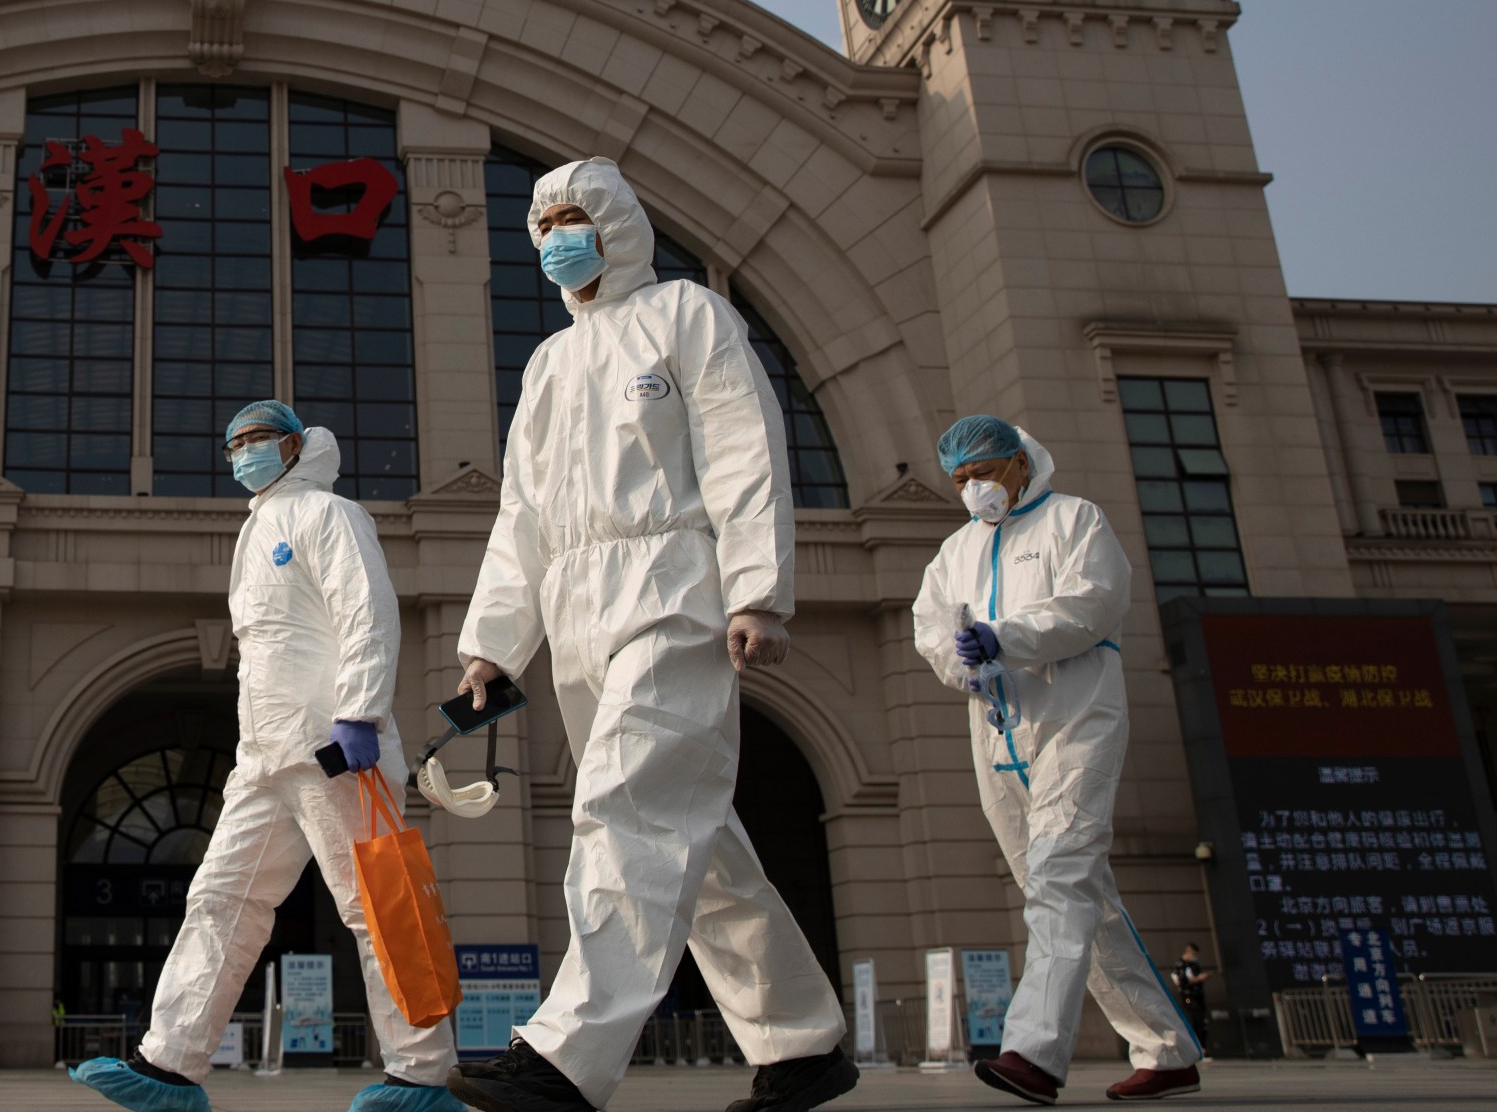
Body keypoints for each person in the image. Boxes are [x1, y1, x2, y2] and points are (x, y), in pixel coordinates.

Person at [446, 159, 855, 1112]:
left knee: (626, 807)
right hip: (579, 605)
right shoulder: (550, 363)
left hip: (677, 586)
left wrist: (757, 591)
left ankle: (568, 1054)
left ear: (619, 222)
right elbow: (524, 516)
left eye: (572, 216)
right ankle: (802, 1043)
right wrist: (494, 644)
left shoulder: (689, 316)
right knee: (695, 836)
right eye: (541, 223)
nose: (554, 237)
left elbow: (746, 449)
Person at [73, 402, 462, 1112]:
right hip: (263, 757)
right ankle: (170, 1065)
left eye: (258, 440)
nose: (245, 453)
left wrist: (361, 712)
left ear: (293, 444)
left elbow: (366, 612)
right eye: (235, 444)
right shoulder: (255, 530)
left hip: (333, 745)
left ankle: (423, 1074)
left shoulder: (330, 513)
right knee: (220, 896)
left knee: (376, 904)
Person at [911, 416, 1204, 1104]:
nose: (973, 489)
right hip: (997, 730)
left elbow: (1093, 604)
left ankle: (1033, 1053)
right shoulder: (954, 551)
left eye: (982, 473)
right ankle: (1166, 1050)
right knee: (1077, 897)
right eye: (960, 480)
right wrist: (959, 660)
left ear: (1018, 463)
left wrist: (1003, 636)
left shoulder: (1075, 521)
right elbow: (930, 630)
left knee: (1058, 876)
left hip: (1076, 721)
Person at [1172, 945, 1209, 1050]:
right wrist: (1198, 979)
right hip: (1188, 997)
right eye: (1194, 954)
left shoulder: (1194, 965)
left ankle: (1202, 1046)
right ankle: (1194, 1046)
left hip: (1198, 996)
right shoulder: (1180, 965)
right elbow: (1181, 981)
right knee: (1193, 1016)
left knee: (1201, 1020)